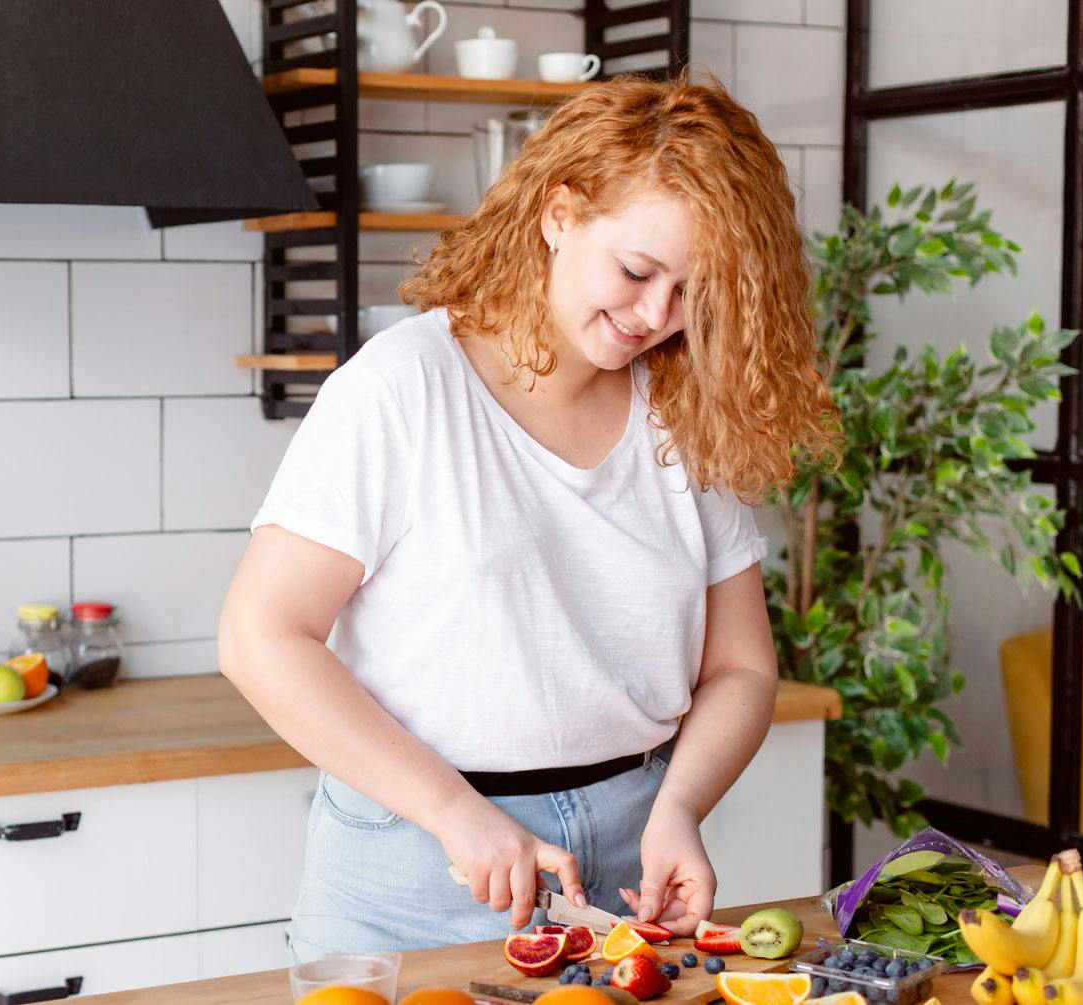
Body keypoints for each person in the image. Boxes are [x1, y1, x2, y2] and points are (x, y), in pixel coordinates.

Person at [217, 72, 840, 960]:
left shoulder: (681, 412)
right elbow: (260, 637)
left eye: (691, 292)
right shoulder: (402, 388)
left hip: (628, 856)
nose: (655, 316)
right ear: (559, 215)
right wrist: (453, 811)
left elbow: (741, 667)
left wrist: (680, 807)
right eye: (637, 271)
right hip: (416, 861)